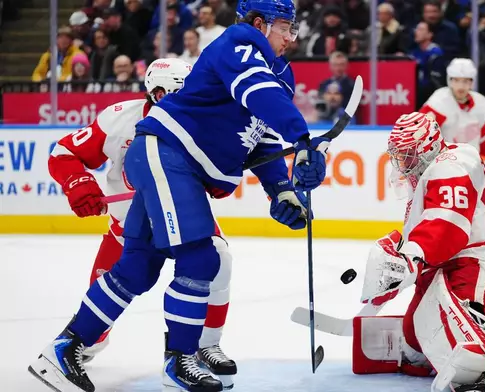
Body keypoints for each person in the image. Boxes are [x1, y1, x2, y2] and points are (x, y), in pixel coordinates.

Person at [28, 0, 329, 391]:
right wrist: (303, 137)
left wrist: (281, 189)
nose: (292, 36)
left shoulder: (277, 73)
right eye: (285, 27)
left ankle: (63, 349)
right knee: (202, 257)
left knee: (136, 268)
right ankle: (181, 360)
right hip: (166, 156)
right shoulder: (238, 43)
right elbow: (258, 94)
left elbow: (259, 138)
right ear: (259, 23)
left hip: (173, 164)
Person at [351, 112, 485, 391]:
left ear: (426, 146)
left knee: (452, 331)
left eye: (408, 155)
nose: (403, 163)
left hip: (476, 261)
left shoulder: (452, 164)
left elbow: (447, 224)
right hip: (445, 263)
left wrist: (412, 257)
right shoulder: (431, 171)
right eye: (399, 155)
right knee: (414, 340)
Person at [419, 58, 485, 158]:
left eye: (465, 81)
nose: (460, 86)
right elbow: (420, 132)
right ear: (450, 80)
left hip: (474, 163)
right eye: (456, 80)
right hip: (445, 163)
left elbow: (483, 140)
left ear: (471, 82)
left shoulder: (481, 103)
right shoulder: (439, 101)